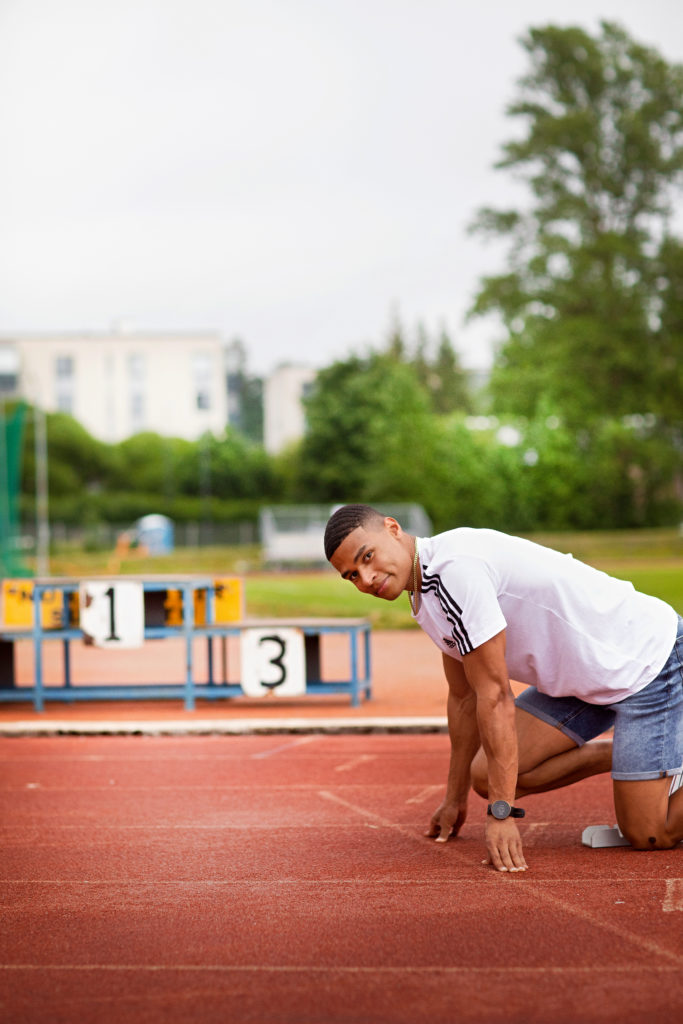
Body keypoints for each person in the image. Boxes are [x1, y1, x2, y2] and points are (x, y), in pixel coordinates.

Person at [324, 504, 683, 872]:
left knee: (650, 833)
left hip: (647, 660)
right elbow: (464, 697)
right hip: (583, 680)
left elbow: (495, 696)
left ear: (393, 528)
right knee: (486, 776)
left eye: (367, 557)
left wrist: (501, 814)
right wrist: (455, 797)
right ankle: (639, 756)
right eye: (352, 575)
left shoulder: (453, 572)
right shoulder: (423, 593)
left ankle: (656, 759)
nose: (366, 578)